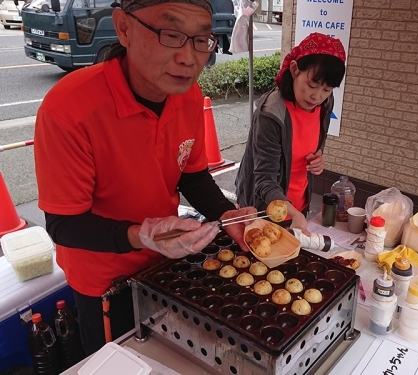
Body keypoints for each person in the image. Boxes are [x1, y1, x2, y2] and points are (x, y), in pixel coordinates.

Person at [34, 0, 255, 356]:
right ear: (124, 28)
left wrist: (225, 213)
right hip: (105, 279)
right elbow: (63, 224)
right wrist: (142, 235)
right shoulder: (68, 109)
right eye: (171, 34)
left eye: (202, 39)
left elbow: (192, 175)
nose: (189, 58)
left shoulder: (188, 96)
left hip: (164, 263)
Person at [235, 32, 346, 234]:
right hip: (264, 206)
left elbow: (318, 140)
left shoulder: (325, 103)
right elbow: (265, 180)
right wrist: (293, 214)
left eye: (327, 89)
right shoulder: (271, 114)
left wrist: (318, 155)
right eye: (312, 85)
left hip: (299, 201)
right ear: (295, 70)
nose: (317, 96)